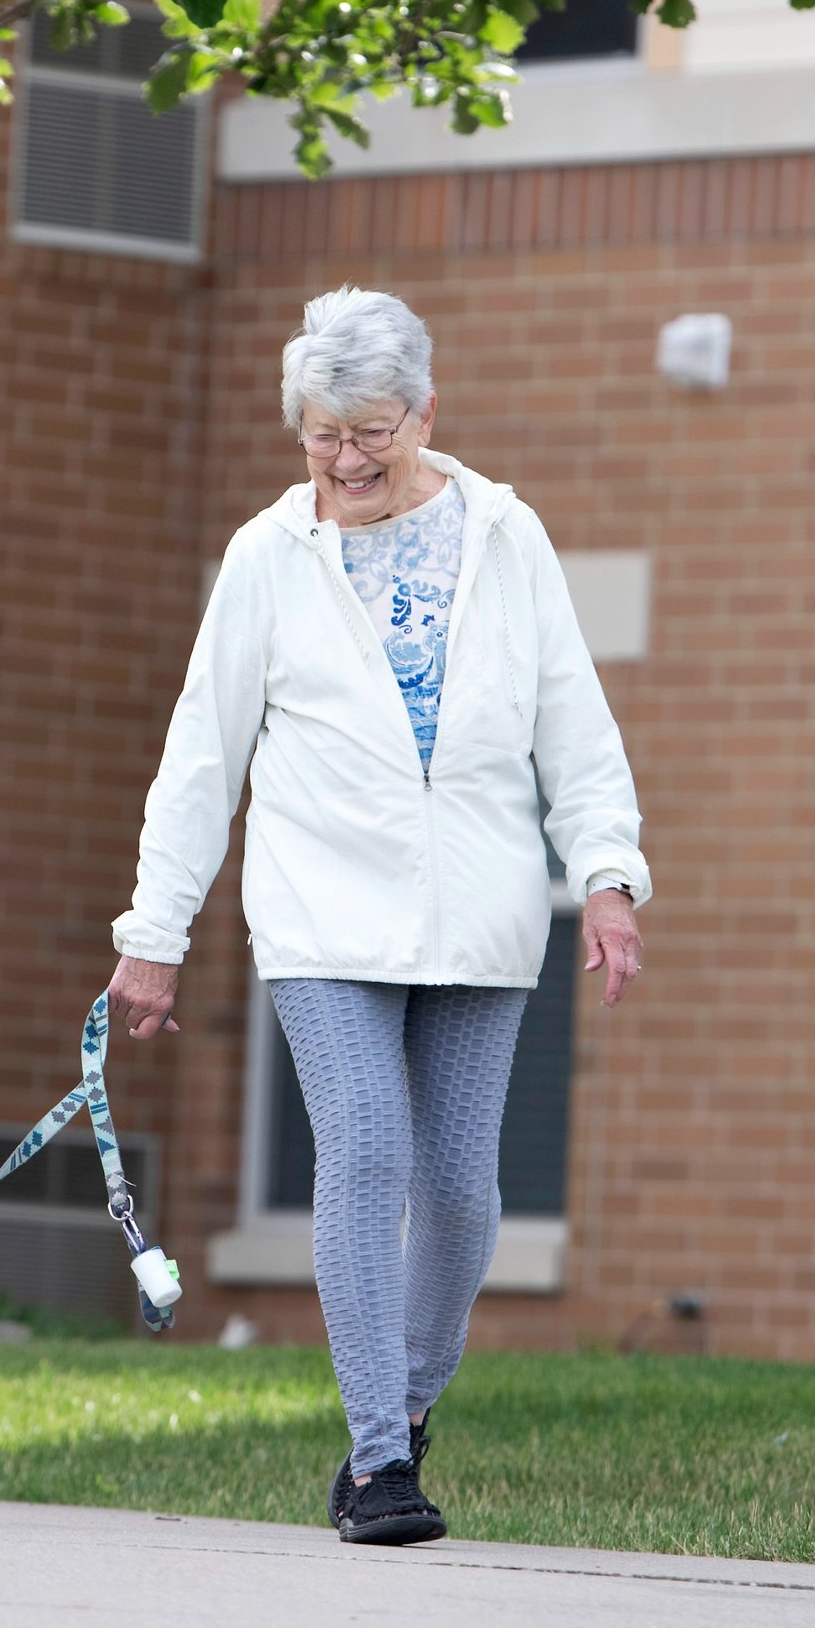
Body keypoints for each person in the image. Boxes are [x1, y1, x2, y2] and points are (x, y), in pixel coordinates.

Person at [107, 286, 650, 1546]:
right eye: (320, 434)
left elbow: (573, 720)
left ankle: (402, 1417)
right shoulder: (266, 555)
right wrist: (156, 928)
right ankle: (377, 1462)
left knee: (460, 1191)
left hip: (481, 910)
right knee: (364, 1150)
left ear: (425, 412)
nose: (346, 461)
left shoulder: (507, 536)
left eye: (372, 432)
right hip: (321, 908)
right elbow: (204, 750)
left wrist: (608, 873)